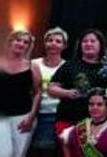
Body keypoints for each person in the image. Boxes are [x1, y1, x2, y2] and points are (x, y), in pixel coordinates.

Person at [49, 30, 107, 137]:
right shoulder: (70, 65)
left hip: (95, 124)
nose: (88, 44)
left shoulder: (106, 68)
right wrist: (66, 93)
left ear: (100, 45)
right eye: (85, 41)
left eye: (92, 41)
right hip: (67, 119)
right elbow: (52, 88)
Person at [2, 30, 41, 157]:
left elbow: (37, 92)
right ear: (10, 41)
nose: (21, 44)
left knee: (18, 154)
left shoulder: (32, 66)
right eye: (18, 40)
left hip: (22, 117)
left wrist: (31, 116)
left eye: (26, 42)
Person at [31, 27, 68, 156]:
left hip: (56, 115)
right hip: (34, 115)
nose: (53, 43)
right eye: (50, 40)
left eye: (58, 41)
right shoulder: (33, 64)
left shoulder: (68, 67)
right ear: (45, 43)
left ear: (64, 46)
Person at [60, 89, 107, 157]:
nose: (94, 107)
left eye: (99, 104)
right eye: (91, 104)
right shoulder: (81, 126)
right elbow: (64, 140)